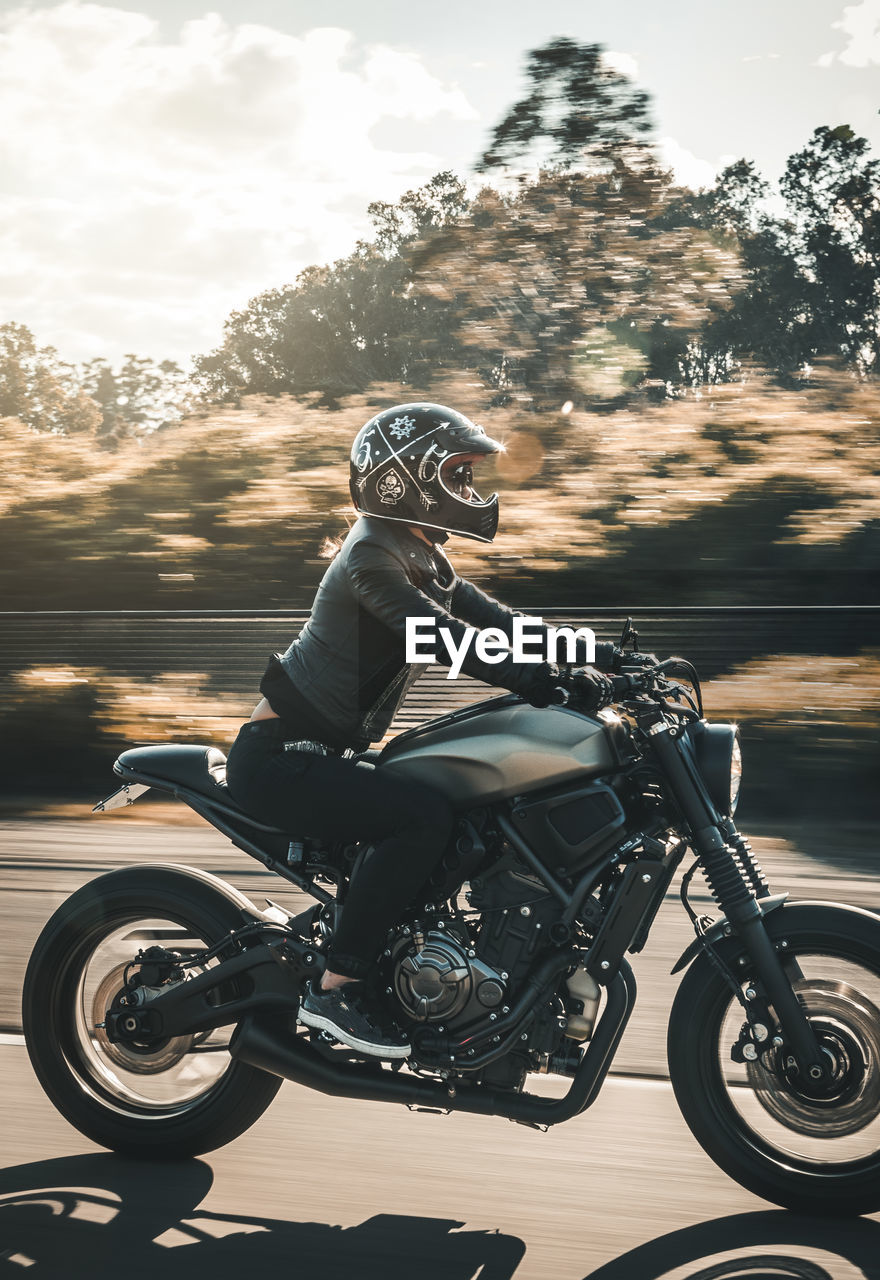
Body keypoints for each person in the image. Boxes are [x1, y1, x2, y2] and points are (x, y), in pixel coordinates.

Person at [227, 402, 623, 1059]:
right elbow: (439, 636)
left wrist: (605, 656)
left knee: (462, 819)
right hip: (279, 762)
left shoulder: (421, 555)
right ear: (405, 478)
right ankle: (336, 986)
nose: (471, 490)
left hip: (321, 756)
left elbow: (501, 623)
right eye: (458, 473)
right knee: (421, 817)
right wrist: (544, 683)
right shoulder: (370, 557)